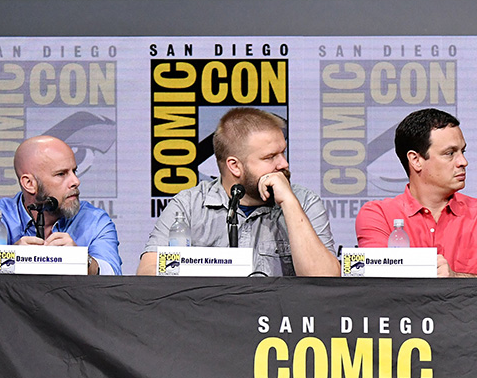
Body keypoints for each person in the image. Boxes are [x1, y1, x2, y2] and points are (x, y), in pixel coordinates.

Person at [137, 107, 339, 277]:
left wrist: (289, 203)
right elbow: (147, 272)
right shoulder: (189, 205)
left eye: (283, 152)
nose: (283, 164)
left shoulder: (304, 202)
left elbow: (327, 281)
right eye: (270, 157)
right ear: (234, 166)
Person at [355, 108, 477, 278]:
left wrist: (455, 278)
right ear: (416, 160)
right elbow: (375, 281)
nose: (463, 162)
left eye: (463, 151)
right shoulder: (378, 215)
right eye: (450, 153)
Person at [0, 135, 121, 275]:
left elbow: (113, 277)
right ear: (29, 183)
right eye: (61, 174)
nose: (75, 181)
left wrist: (81, 260)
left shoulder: (95, 220)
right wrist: (11, 258)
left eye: (74, 171)